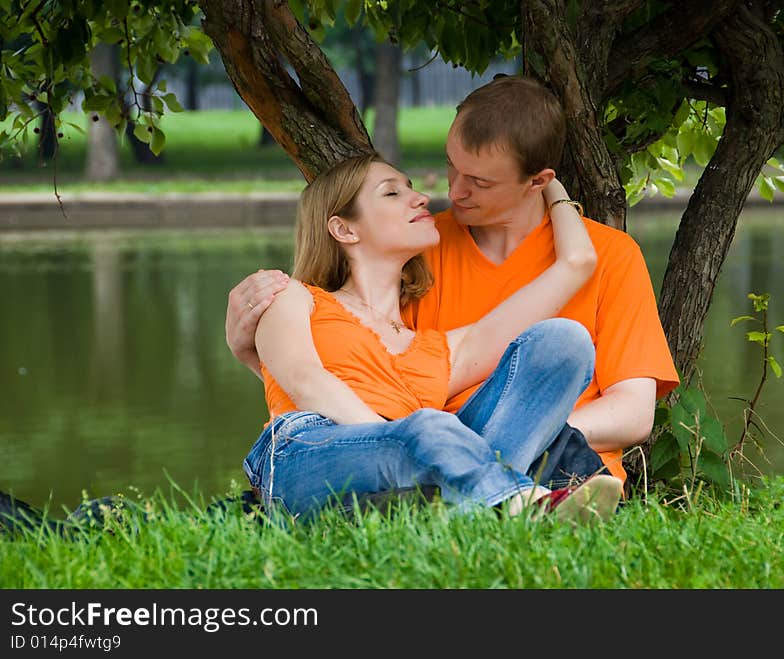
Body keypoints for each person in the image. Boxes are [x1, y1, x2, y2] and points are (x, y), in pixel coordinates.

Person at [227, 75, 679, 490]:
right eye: (451, 167)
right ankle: (500, 496)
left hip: (519, 455)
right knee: (427, 433)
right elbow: (336, 376)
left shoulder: (611, 257)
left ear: (537, 181)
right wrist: (258, 356)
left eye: (479, 181)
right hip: (410, 449)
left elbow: (634, 413)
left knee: (562, 341)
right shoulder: (415, 254)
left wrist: (508, 434)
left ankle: (483, 488)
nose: (453, 191)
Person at [244, 153, 624, 522]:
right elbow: (305, 381)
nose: (421, 197)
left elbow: (577, 264)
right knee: (431, 425)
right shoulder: (294, 296)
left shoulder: (440, 349)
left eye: (411, 188)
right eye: (392, 193)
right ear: (344, 229)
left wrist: (548, 183)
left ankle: (472, 508)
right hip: (305, 457)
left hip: (417, 470)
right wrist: (399, 434)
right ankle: (522, 501)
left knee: (563, 341)